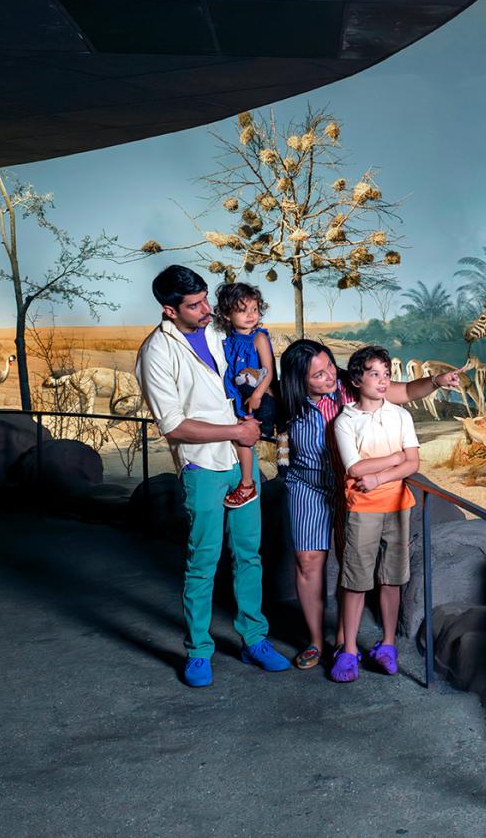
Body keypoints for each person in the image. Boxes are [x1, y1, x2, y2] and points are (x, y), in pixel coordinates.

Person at [135, 265, 290, 687]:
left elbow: (255, 365)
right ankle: (199, 651)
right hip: (202, 465)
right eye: (195, 305)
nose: (207, 309)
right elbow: (173, 425)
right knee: (203, 562)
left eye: (206, 299)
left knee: (249, 555)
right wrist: (237, 431)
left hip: (243, 461)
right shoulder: (156, 353)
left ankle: (254, 639)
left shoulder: (221, 331)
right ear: (170, 310)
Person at [277, 339, 459, 671]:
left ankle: (343, 641)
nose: (329, 376)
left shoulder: (352, 386)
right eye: (318, 375)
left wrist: (435, 381)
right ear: (298, 381)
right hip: (309, 484)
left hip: (353, 486)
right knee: (307, 561)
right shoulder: (285, 402)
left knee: (353, 563)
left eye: (330, 365)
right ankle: (316, 641)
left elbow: (403, 392)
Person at [330, 346, 419, 683]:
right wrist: (395, 459)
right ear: (356, 379)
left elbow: (414, 462)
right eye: (375, 373)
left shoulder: (401, 416)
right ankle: (349, 650)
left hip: (397, 506)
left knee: (392, 578)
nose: (383, 381)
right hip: (362, 509)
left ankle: (388, 645)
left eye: (387, 373)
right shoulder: (345, 420)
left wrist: (380, 476)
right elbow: (355, 466)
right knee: (355, 582)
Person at [214, 282, 276, 509]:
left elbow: (267, 370)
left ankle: (248, 484)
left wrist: (258, 394)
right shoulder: (226, 340)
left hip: (252, 396)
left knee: (242, 438)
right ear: (227, 314)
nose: (251, 315)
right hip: (233, 396)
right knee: (233, 435)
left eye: (254, 309)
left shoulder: (258, 338)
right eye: (242, 310)